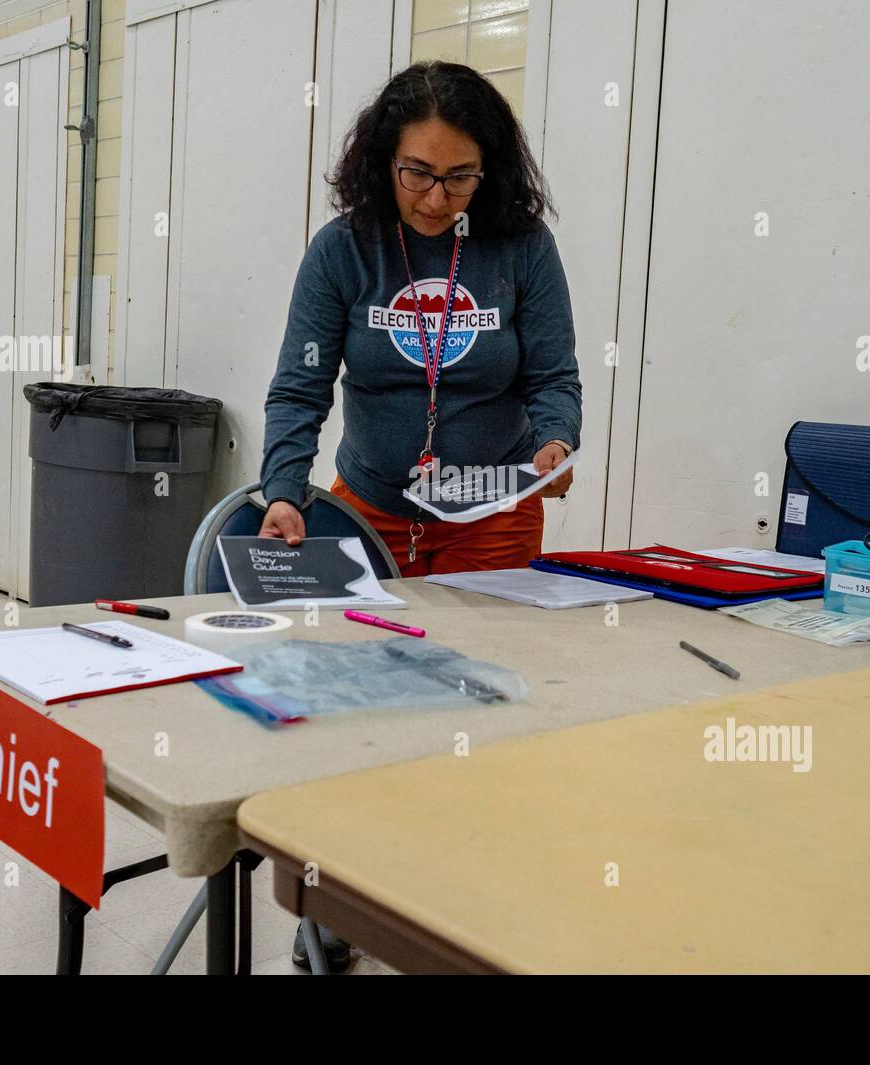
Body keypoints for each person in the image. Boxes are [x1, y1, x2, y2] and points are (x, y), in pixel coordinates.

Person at [257, 59, 582, 971]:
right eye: (417, 173)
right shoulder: (345, 249)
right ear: (382, 162)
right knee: (365, 715)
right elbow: (299, 386)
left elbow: (554, 378)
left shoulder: (520, 248)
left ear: (492, 171)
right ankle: (336, 906)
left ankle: (467, 902)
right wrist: (286, 488)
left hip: (492, 519)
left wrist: (553, 443)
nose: (436, 197)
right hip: (368, 513)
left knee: (487, 707)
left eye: (458, 175)